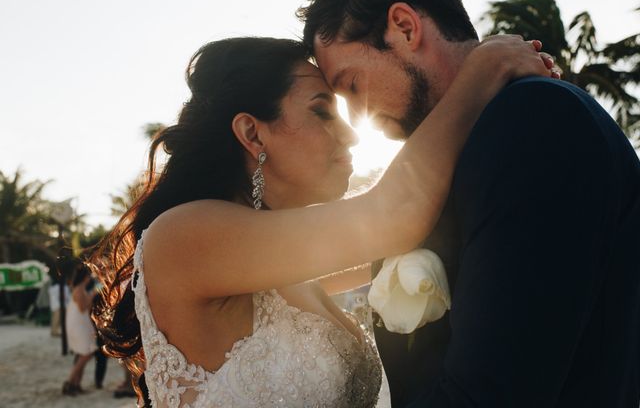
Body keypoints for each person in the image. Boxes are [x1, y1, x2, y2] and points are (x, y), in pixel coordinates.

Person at [89, 35, 552, 407]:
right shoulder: (183, 236)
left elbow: (409, 228)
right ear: (253, 133)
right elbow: (393, 215)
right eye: (320, 111)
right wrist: (483, 69)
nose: (351, 134)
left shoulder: (279, 266)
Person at [298, 0, 640, 407]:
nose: (356, 116)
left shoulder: (533, 123)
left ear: (403, 26)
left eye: (352, 85)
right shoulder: (476, 146)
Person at [62, 264, 97, 396]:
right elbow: (83, 308)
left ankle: (76, 384)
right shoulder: (79, 289)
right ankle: (70, 383)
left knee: (83, 353)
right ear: (85, 277)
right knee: (85, 354)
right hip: (79, 326)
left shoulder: (80, 289)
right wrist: (93, 295)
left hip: (80, 324)